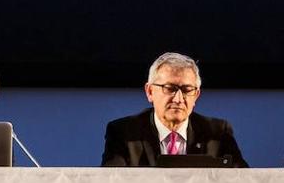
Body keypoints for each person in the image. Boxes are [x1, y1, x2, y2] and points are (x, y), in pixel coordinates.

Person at [101, 52, 248, 167]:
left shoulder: (218, 133)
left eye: (187, 89)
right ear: (150, 92)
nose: (178, 99)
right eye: (169, 88)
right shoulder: (123, 132)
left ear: (196, 95)